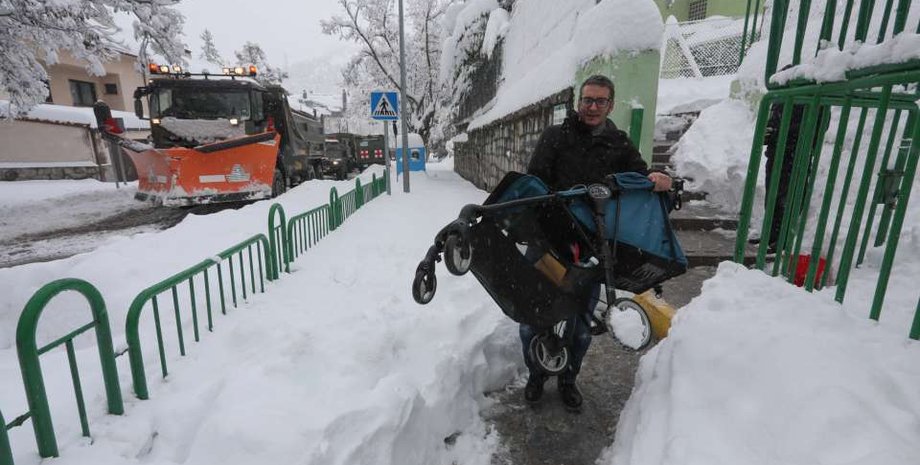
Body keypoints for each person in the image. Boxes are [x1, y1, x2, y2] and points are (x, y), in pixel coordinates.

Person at [523, 75, 671, 411]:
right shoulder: (555, 137)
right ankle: (536, 374)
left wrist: (656, 178)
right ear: (578, 103)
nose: (592, 107)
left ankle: (567, 379)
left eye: (600, 101)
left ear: (610, 105)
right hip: (550, 241)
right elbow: (534, 182)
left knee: (580, 327)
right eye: (587, 100)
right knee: (534, 317)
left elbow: (639, 177)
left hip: (592, 247)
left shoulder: (618, 143)